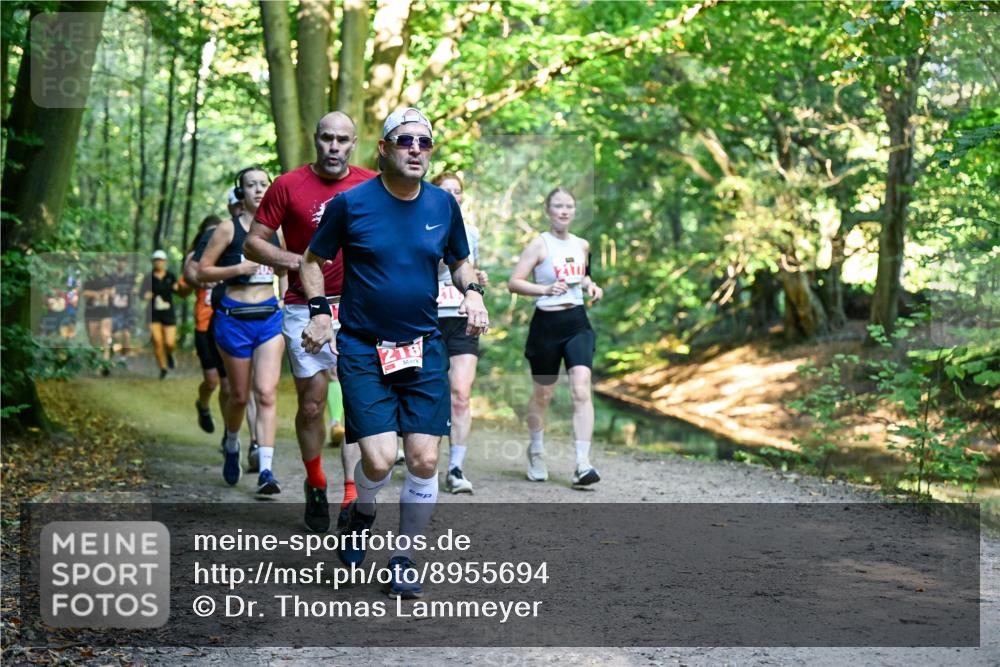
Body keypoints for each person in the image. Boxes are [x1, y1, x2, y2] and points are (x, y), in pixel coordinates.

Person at [301, 107, 489, 599]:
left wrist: (471, 292)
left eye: (424, 143)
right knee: (381, 462)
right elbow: (312, 261)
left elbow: (460, 260)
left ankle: (403, 557)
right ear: (383, 149)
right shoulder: (351, 204)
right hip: (364, 348)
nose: (416, 150)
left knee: (425, 460)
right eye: (405, 141)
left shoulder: (442, 207)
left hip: (424, 346)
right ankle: (362, 511)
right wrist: (320, 312)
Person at [244, 111, 376, 532]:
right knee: (313, 403)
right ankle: (316, 480)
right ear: (314, 139)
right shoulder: (287, 185)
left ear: (353, 143)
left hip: (357, 307)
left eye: (342, 140)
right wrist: (297, 262)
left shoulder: (372, 185)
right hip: (304, 304)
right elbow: (253, 243)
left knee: (356, 401)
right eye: (326, 138)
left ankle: (351, 493)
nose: (333, 147)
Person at [197, 167, 286, 494]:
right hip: (234, 317)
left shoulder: (278, 230)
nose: (259, 190)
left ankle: (266, 470)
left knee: (265, 392)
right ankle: (232, 442)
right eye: (252, 185)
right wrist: (238, 268)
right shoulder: (227, 229)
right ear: (242, 192)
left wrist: (286, 301)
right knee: (238, 395)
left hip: (269, 319)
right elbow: (201, 271)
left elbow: (287, 267)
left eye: (264, 184)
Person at [508, 187, 604, 487]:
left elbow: (582, 276)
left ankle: (582, 464)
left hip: (577, 322)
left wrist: (591, 286)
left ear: (574, 211)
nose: (564, 211)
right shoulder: (540, 244)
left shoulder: (582, 245)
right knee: (543, 395)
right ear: (548, 211)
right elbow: (514, 282)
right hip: (546, 325)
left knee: (580, 389)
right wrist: (545, 289)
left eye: (569, 206)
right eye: (558, 206)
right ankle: (536, 450)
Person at [431, 172, 489, 494]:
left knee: (461, 393)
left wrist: (477, 282)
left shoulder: (472, 231)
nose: (453, 196)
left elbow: (469, 273)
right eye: (446, 191)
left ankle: (455, 467)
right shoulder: (420, 223)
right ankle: (422, 459)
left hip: (461, 316)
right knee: (428, 391)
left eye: (458, 191)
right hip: (427, 317)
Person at [182, 215, 229, 435]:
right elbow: (185, 283)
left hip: (226, 322)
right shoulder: (196, 258)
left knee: (228, 385)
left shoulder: (228, 255)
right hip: (203, 324)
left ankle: (230, 434)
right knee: (211, 382)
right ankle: (203, 405)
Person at [142, 250, 179, 380]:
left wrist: (179, 288)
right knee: (157, 341)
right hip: (153, 313)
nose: (158, 262)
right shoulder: (148, 278)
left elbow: (178, 290)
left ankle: (169, 354)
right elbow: (142, 294)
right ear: (153, 262)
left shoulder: (171, 276)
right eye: (156, 260)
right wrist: (146, 295)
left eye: (160, 260)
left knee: (170, 343)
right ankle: (163, 368)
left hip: (168, 313)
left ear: (165, 262)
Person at [83, 265, 114, 369]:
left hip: (106, 310)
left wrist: (108, 293)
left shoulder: (110, 278)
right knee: (93, 337)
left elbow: (114, 291)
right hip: (92, 311)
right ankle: (95, 359)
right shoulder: (89, 278)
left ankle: (105, 362)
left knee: (105, 335)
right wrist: (97, 294)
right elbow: (84, 292)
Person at [110, 257, 137, 356]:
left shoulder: (130, 277)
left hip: (127, 309)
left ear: (126, 263)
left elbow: (135, 290)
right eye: (119, 261)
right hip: (114, 310)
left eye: (123, 261)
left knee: (127, 334)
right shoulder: (111, 277)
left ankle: (124, 355)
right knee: (116, 335)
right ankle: (115, 352)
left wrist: (133, 292)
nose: (121, 264)